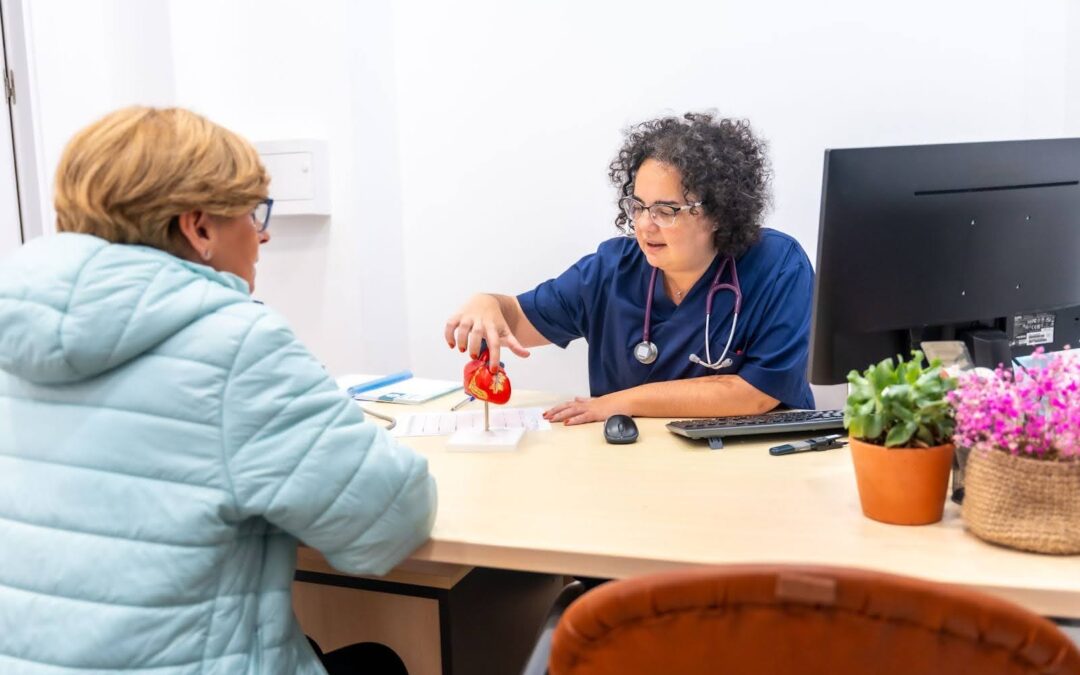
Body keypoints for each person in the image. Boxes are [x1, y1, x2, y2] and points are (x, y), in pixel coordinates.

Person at [0, 107, 435, 674]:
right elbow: (391, 521)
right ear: (200, 228)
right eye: (253, 214)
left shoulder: (15, 332)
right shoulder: (236, 344)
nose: (263, 234)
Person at [445, 112, 815, 424]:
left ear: (717, 213)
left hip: (755, 463)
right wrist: (488, 305)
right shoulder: (610, 271)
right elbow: (516, 322)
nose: (644, 225)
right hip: (632, 464)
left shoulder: (777, 266)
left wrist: (619, 402)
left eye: (666, 211)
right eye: (637, 206)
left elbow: (757, 393)